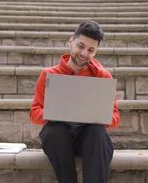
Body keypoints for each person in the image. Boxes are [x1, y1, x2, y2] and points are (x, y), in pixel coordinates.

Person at [30, 20, 120, 183]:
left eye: (91, 50)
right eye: (80, 46)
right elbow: (34, 112)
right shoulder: (49, 74)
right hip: (60, 142)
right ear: (71, 41)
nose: (84, 53)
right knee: (54, 131)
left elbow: (115, 117)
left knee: (97, 132)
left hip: (89, 141)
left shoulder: (103, 77)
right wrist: (56, 112)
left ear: (96, 51)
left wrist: (98, 116)